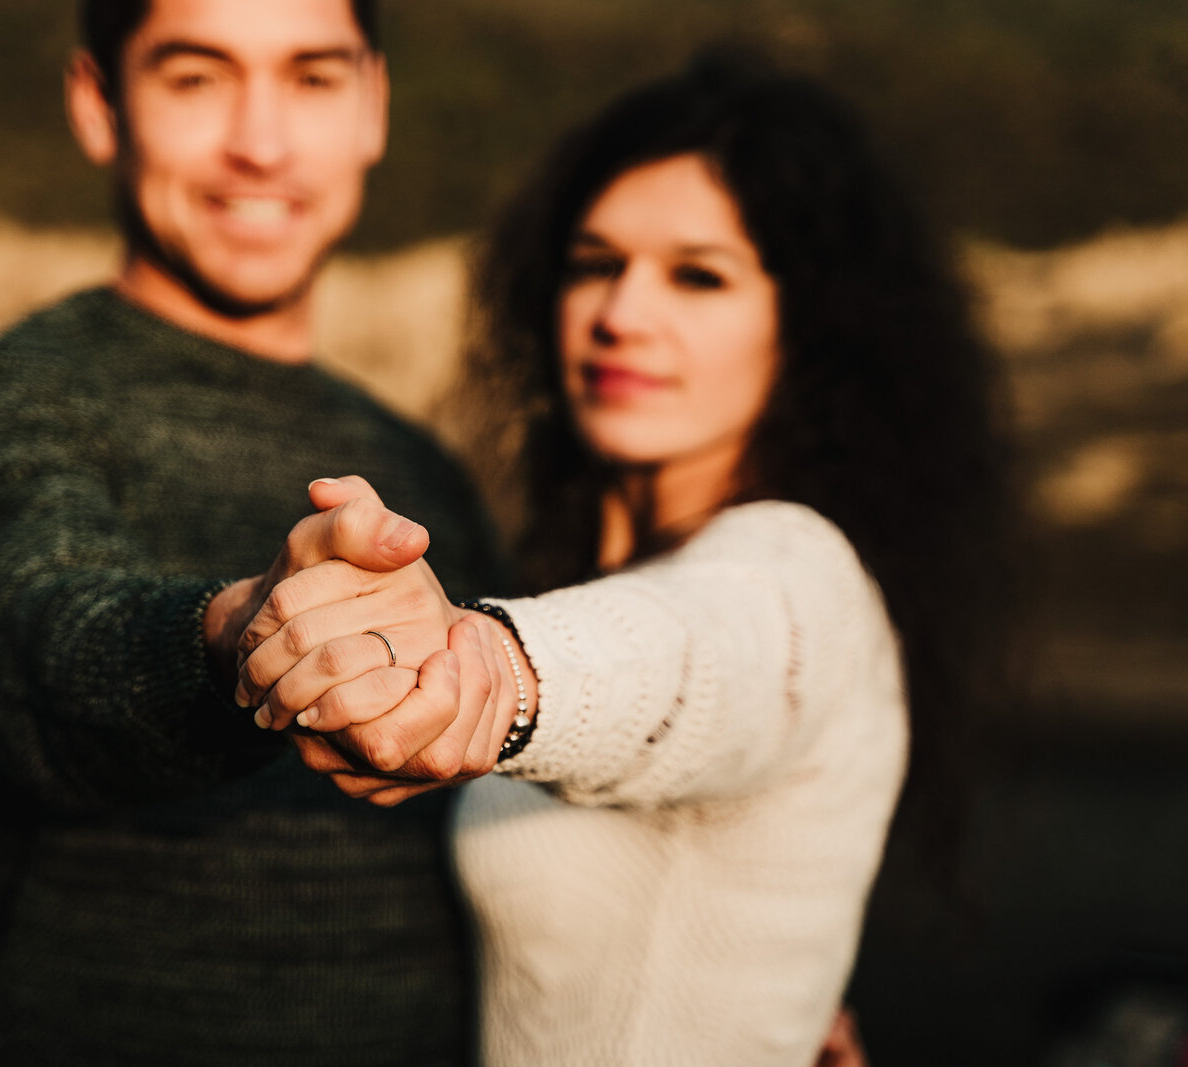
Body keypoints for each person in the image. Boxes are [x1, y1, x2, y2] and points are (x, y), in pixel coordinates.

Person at [235, 53, 1013, 1065]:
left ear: (807, 330)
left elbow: (690, 656)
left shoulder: (796, 572)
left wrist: (488, 669)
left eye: (698, 275)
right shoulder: (604, 564)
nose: (621, 314)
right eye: (595, 262)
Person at [0, 1, 509, 1062]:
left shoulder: (423, 464)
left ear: (372, 108)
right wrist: (241, 634)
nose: (260, 143)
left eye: (312, 78)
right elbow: (45, 642)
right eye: (196, 76)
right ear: (97, 106)